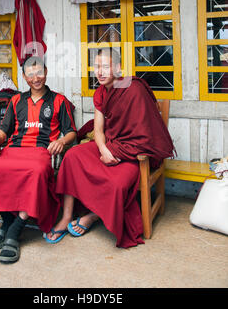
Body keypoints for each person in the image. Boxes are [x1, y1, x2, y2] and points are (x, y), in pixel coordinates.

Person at [46, 48, 175, 248]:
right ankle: (67, 216)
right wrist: (104, 150)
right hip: (111, 145)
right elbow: (98, 130)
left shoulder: (133, 88)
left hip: (133, 153)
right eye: (97, 67)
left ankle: (93, 216)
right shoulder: (100, 92)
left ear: (117, 68)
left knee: (116, 183)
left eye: (105, 66)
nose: (100, 72)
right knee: (71, 156)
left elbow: (145, 136)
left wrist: (115, 152)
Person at [0, 55, 77, 263]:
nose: (36, 78)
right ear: (25, 77)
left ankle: (13, 230)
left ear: (46, 71)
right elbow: (3, 131)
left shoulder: (59, 100)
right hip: (12, 150)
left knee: (35, 173)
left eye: (39, 72)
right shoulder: (16, 100)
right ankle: (7, 221)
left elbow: (72, 132)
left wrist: (62, 142)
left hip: (40, 154)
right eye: (31, 74)